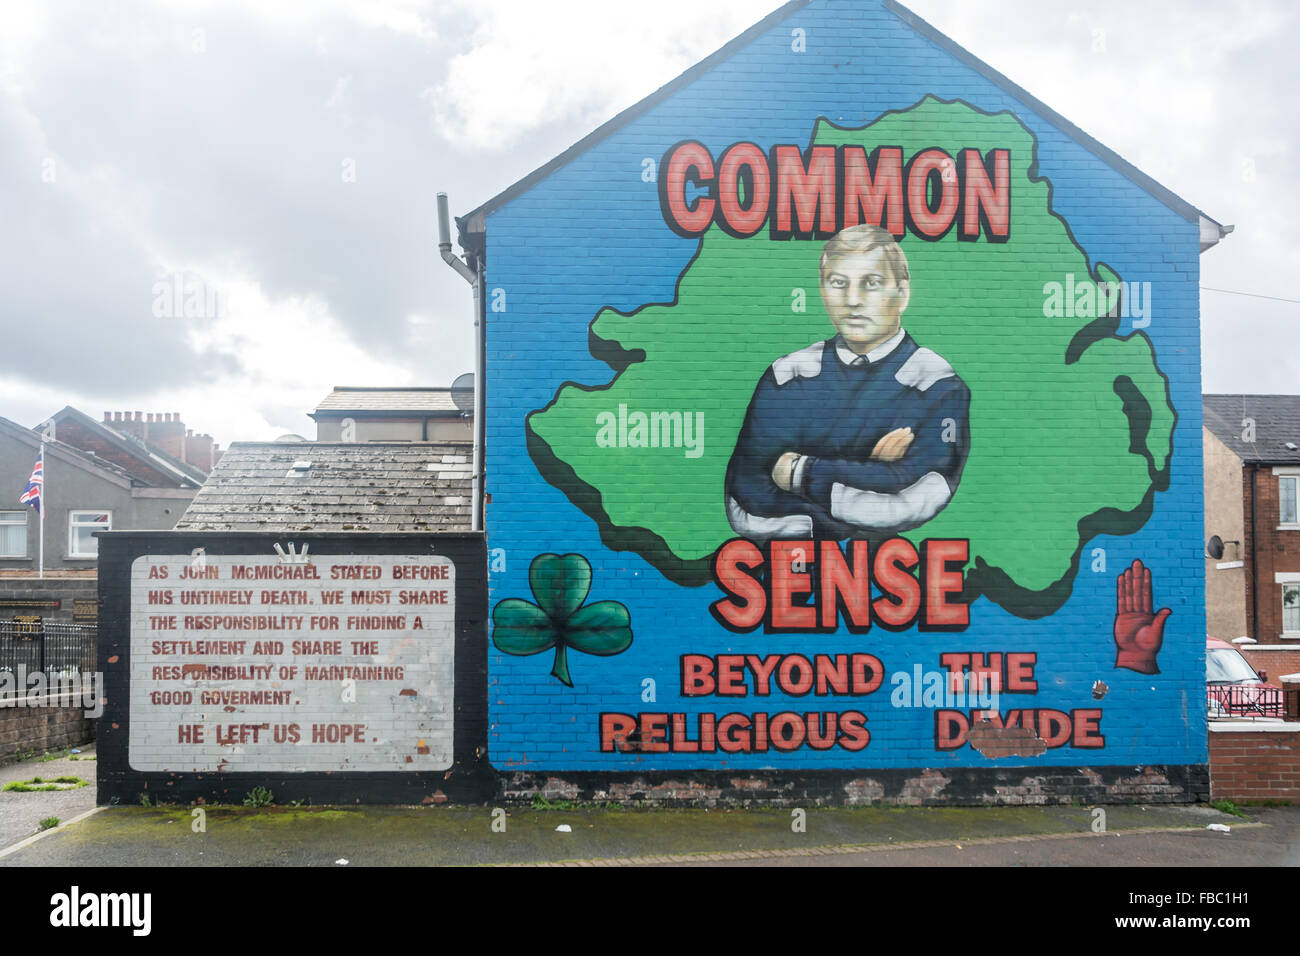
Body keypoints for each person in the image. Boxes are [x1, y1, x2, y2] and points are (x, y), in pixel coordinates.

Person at [724, 224, 970, 540]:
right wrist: (870, 472)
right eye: (839, 283)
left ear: (902, 292)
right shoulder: (789, 375)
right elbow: (747, 503)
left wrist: (802, 472)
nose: (852, 300)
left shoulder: (936, 385)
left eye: (872, 283)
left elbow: (916, 499)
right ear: (822, 289)